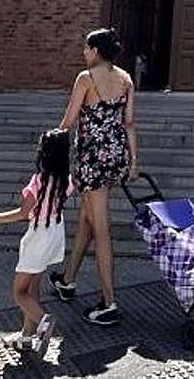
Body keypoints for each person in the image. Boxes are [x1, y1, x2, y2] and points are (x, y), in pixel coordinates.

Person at [49, 27, 139, 326]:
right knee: (88, 219)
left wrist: (50, 143)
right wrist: (133, 162)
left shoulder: (85, 78)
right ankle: (68, 280)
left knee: (101, 228)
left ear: (96, 51)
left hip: (92, 159)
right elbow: (129, 123)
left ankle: (109, 302)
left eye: (86, 49)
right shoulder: (126, 79)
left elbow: (69, 119)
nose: (83, 53)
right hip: (116, 157)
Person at [0, 128, 74, 356]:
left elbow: (24, 212)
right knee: (33, 285)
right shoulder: (66, 179)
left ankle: (43, 321)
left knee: (19, 292)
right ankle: (26, 336)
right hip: (55, 233)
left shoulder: (38, 180)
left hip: (38, 236)